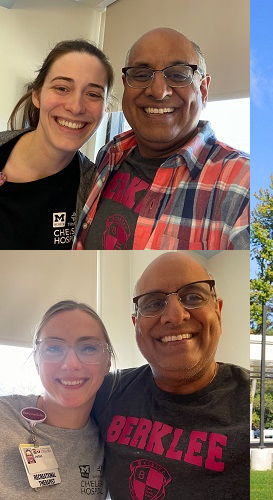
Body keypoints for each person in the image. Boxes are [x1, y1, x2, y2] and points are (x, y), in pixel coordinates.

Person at [90, 252, 250, 499]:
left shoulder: (251, 403)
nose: (175, 316)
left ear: (218, 312)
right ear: (136, 324)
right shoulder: (107, 392)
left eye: (193, 297)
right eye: (154, 303)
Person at [74, 28, 249, 250]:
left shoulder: (242, 185)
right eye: (141, 75)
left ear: (203, 90)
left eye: (178, 75)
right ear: (126, 85)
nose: (158, 91)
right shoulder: (111, 153)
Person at [0, 40, 112, 249]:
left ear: (106, 108)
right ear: (37, 94)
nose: (76, 107)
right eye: (62, 88)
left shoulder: (94, 193)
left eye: (93, 94)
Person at [0, 301, 113, 498]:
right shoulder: (4, 419)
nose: (71, 364)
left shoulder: (112, 443)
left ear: (107, 362)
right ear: (36, 360)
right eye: (53, 348)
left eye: (88, 348)